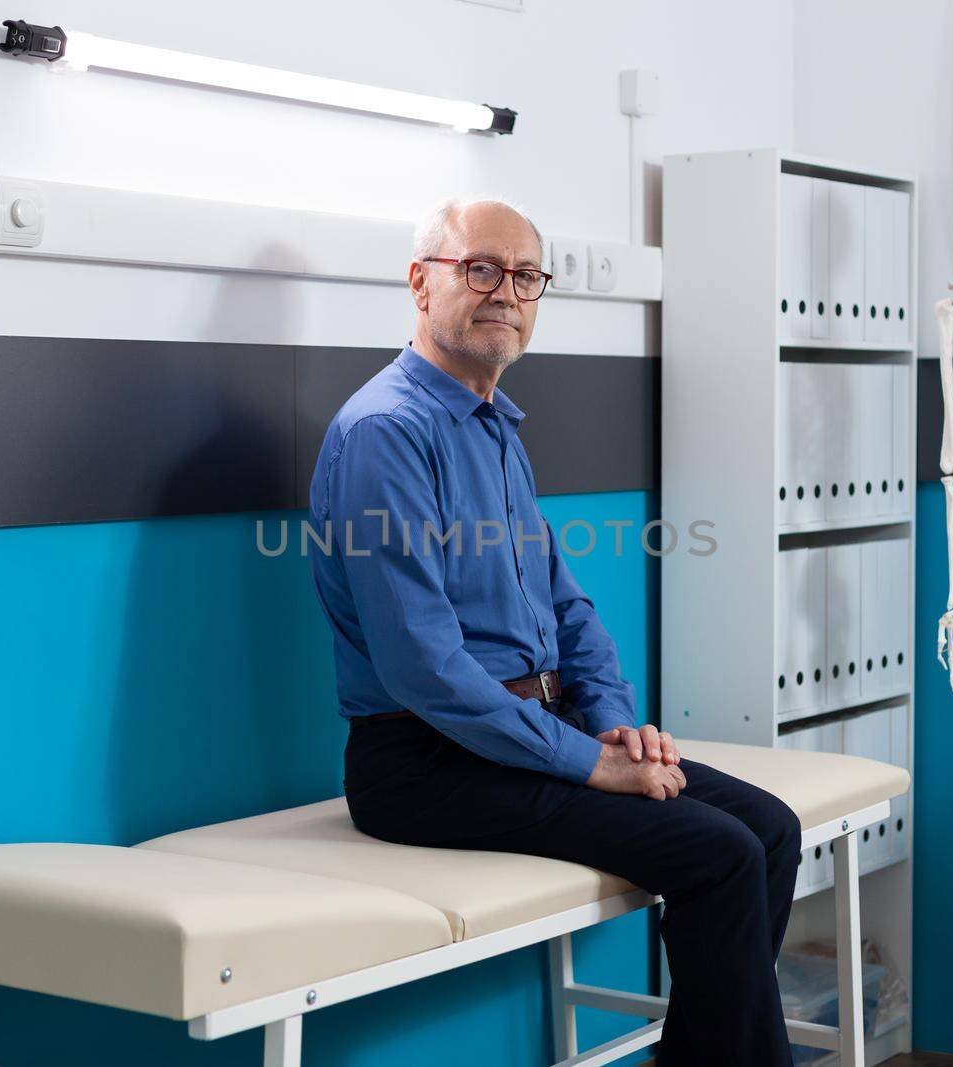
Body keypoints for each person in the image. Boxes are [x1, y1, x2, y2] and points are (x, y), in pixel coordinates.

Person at [305, 197, 800, 1066]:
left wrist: (613, 722)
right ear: (422, 282)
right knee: (718, 853)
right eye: (480, 269)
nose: (505, 291)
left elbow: (568, 608)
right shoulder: (388, 432)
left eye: (525, 276)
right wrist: (591, 763)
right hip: (424, 760)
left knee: (768, 827)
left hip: (531, 734)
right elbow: (424, 669)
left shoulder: (495, 427)